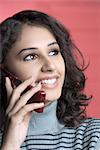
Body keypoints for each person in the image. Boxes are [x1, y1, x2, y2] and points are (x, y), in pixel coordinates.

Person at [0, 10, 100, 150]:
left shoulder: (93, 135)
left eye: (53, 52)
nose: (50, 66)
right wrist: (9, 145)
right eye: (31, 56)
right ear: (5, 72)